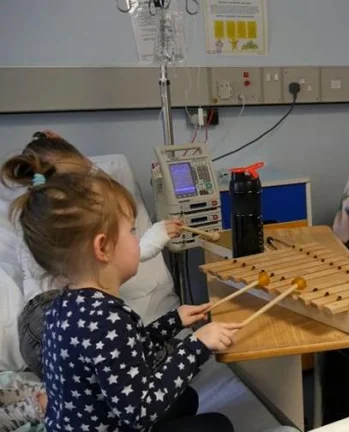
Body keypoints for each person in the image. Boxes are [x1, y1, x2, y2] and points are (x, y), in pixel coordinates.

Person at [2, 152, 241, 431]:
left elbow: (126, 354)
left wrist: (173, 321)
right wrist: (196, 346)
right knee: (217, 426)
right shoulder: (105, 319)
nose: (136, 239)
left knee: (185, 399)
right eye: (131, 231)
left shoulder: (64, 306)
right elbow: (141, 409)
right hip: (119, 423)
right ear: (103, 248)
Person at [1, 130, 183, 378]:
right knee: (151, 359)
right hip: (42, 329)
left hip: (47, 325)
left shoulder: (56, 230)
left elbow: (120, 251)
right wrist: (193, 350)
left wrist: (157, 234)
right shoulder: (90, 314)